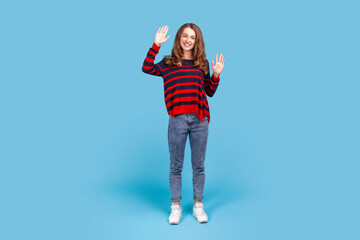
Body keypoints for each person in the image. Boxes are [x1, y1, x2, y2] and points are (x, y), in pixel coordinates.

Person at [142, 23, 224, 224]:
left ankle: (198, 206)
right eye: (185, 36)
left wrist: (215, 75)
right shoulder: (168, 62)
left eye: (192, 37)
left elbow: (209, 92)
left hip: (199, 120)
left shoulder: (201, 63)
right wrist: (155, 45)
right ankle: (175, 206)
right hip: (177, 120)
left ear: (197, 41)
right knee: (176, 166)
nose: (188, 40)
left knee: (199, 166)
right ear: (179, 38)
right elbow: (146, 68)